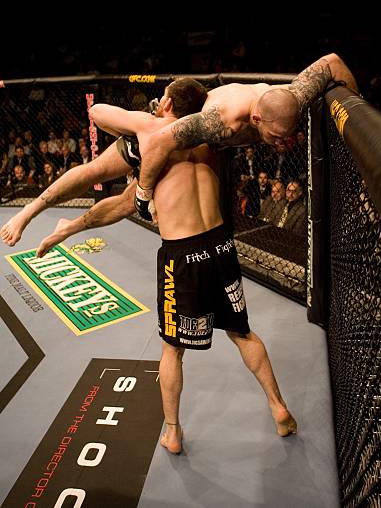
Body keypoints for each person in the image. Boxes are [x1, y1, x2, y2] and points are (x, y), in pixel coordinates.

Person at [35, 86, 297, 455]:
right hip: (221, 246)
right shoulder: (212, 137)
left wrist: (69, 229)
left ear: (168, 103)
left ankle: (172, 432)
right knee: (242, 333)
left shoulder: (154, 141)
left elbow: (102, 123)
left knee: (172, 349)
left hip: (183, 255)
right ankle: (278, 407)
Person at [134, 53, 358, 218]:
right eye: (275, 136)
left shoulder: (294, 96)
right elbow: (159, 140)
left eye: (285, 136)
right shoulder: (220, 121)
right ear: (257, 119)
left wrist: (355, 117)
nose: (281, 142)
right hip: (181, 127)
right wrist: (143, 194)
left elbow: (333, 62)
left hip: (214, 138)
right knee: (139, 193)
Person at [0, 79, 205, 246]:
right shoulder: (199, 137)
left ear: (168, 104)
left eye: (163, 97)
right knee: (108, 183)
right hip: (193, 232)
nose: (158, 101)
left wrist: (138, 123)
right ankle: (30, 213)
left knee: (123, 199)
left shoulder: (150, 124)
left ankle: (63, 226)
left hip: (153, 144)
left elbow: (96, 111)